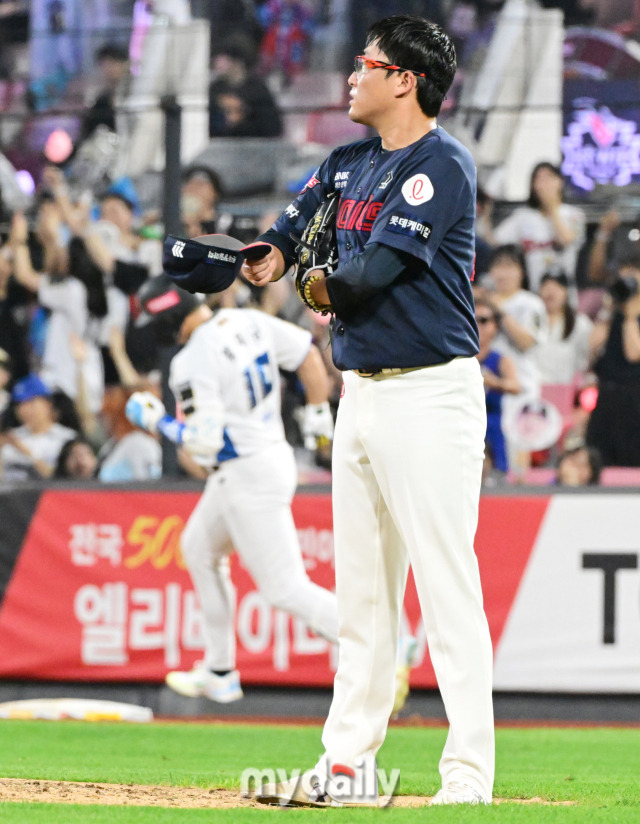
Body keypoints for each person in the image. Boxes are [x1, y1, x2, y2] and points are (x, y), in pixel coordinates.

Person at [242, 14, 494, 806]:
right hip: (362, 393)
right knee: (362, 598)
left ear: (405, 81)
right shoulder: (347, 161)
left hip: (430, 394)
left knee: (446, 588)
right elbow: (289, 230)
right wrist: (261, 258)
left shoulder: (439, 165)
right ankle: (346, 765)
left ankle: (467, 777)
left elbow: (365, 277)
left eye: (367, 63)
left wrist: (313, 282)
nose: (352, 75)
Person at [125, 275, 416, 707]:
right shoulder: (249, 321)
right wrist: (318, 411)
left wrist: (154, 421)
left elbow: (206, 441)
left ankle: (384, 646)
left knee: (284, 588)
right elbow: (307, 355)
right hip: (262, 459)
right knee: (198, 547)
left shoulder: (191, 360)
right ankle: (220, 670)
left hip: (246, 473)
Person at [491, 161, 586, 294]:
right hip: (534, 291)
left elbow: (566, 240)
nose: (544, 184)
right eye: (538, 179)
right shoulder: (523, 217)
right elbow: (494, 241)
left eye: (548, 178)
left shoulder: (574, 214)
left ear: (559, 181)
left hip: (564, 293)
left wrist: (551, 208)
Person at [585, 259, 640, 466]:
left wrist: (630, 316)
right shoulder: (612, 313)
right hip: (607, 396)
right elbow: (592, 345)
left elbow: (634, 353)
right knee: (600, 457)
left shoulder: (630, 316)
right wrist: (609, 309)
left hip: (635, 397)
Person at [0, 373, 76, 481]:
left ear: (48, 404)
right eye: (19, 405)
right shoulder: (10, 438)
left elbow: (63, 481)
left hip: (50, 496)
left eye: (30, 402)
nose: (24, 410)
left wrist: (25, 452)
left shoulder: (67, 438)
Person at [475, 297, 520, 474]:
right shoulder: (457, 358)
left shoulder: (500, 360)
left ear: (495, 326)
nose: (478, 325)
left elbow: (516, 386)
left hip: (491, 426)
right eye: (473, 319)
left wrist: (495, 383)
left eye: (484, 320)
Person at [209, 34, 283, 138]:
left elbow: (272, 127)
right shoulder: (215, 89)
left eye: (223, 58)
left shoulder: (257, 89)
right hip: (222, 148)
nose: (217, 62)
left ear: (237, 61)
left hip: (251, 148)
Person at [535, 269, 593, 385]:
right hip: (533, 387)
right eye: (546, 287)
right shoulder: (530, 320)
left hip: (565, 388)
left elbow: (588, 356)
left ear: (567, 292)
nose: (551, 292)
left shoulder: (580, 324)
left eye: (557, 287)